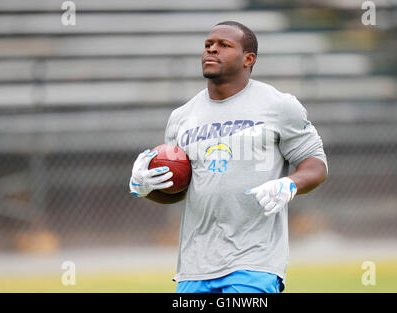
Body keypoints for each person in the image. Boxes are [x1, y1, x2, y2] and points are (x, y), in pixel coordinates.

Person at [129, 21, 328, 293]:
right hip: (195, 266)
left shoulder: (279, 105)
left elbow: (316, 164)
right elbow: (179, 191)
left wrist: (290, 183)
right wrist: (147, 187)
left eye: (224, 45)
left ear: (248, 59)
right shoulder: (181, 117)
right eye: (208, 45)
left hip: (255, 263)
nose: (211, 50)